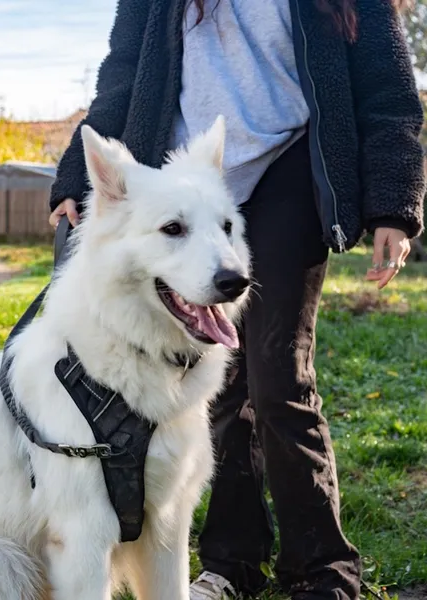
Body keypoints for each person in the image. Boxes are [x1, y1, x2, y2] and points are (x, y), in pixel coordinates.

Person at [48, 0, 425, 599]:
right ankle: (230, 562)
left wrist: (393, 202)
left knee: (278, 375)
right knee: (214, 383)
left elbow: (387, 86)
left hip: (289, 170)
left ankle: (323, 569)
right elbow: (121, 72)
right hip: (186, 181)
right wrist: (76, 178)